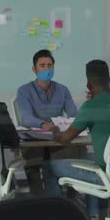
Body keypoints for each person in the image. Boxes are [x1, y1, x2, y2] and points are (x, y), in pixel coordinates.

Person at [36, 60, 110, 220]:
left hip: (106, 176)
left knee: (49, 168)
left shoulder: (90, 107)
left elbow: (65, 139)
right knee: (85, 159)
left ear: (88, 84)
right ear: (109, 79)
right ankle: (88, 216)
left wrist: (56, 131)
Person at [16, 49, 80, 194]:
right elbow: (26, 118)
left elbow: (74, 115)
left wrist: (68, 123)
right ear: (34, 69)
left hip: (58, 139)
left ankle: (70, 197)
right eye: (42, 65)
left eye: (49, 65)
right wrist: (44, 125)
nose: (47, 69)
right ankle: (38, 200)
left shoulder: (63, 90)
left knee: (76, 151)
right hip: (35, 141)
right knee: (34, 165)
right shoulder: (24, 91)